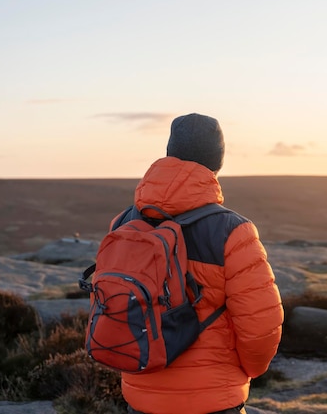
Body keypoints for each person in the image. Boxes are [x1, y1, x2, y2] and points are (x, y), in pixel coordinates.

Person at [113, 113, 284, 414]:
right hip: (213, 398)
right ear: (216, 162)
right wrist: (246, 371)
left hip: (141, 391)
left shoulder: (124, 222)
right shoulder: (233, 231)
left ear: (170, 152)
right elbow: (260, 325)